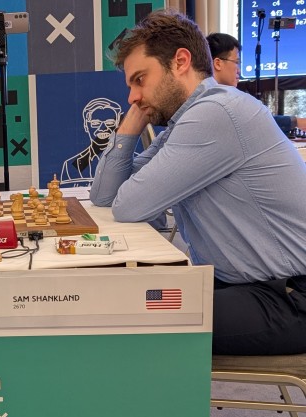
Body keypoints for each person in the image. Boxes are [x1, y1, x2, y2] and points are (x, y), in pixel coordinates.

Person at [90, 10, 306, 355]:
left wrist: (130, 128)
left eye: (140, 80)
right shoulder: (184, 123)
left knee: (130, 314)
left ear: (180, 61)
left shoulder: (216, 113)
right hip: (243, 285)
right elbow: (104, 196)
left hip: (288, 296)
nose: (132, 96)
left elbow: (128, 205)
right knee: (130, 299)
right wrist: (129, 128)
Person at [205, 32, 306, 133]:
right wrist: (296, 122)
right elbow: (258, 121)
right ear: (218, 63)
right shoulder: (226, 100)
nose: (239, 70)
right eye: (236, 62)